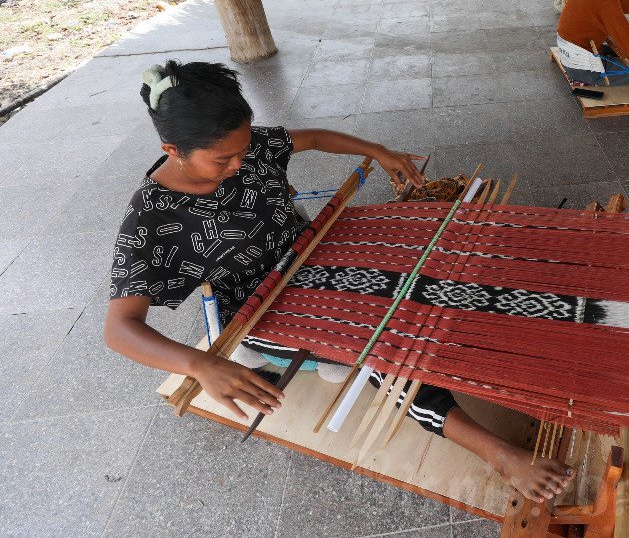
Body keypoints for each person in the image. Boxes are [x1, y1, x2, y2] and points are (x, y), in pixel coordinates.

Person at [104, 60, 575, 503]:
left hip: (316, 251)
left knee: (433, 251)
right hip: (265, 308)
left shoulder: (244, 149)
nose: (239, 165)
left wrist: (377, 151)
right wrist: (200, 365)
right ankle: (498, 453)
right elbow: (120, 329)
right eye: (222, 160)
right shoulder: (152, 220)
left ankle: (523, 331)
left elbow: (308, 139)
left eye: (244, 150)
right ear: (172, 151)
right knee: (381, 346)